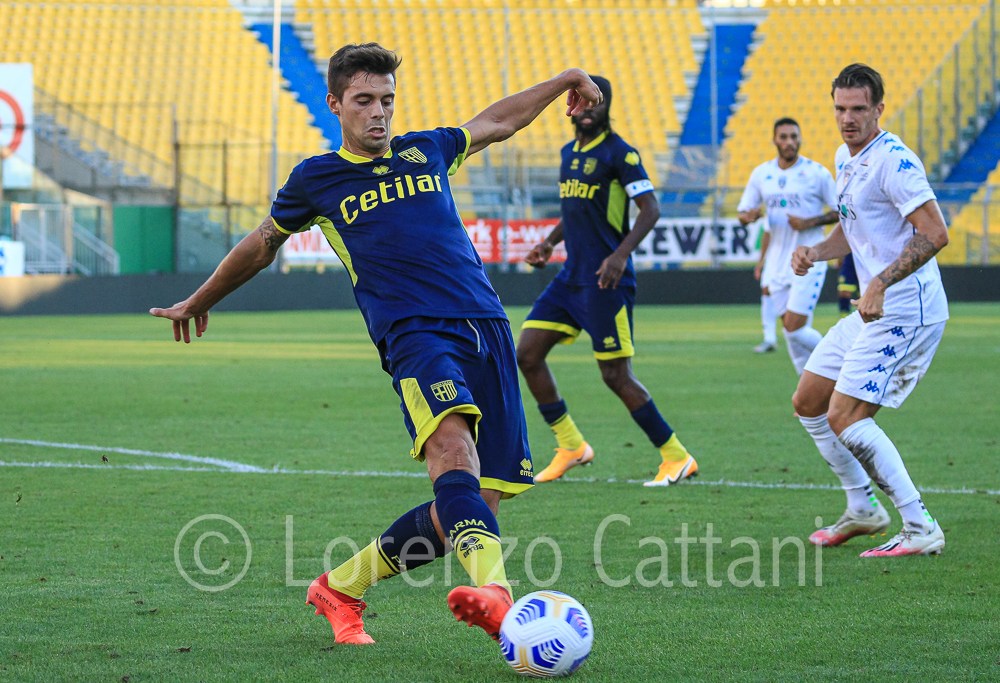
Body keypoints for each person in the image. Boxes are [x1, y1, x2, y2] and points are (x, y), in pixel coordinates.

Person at [150, 43, 604, 643]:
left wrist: (566, 76)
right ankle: (500, 601)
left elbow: (498, 121)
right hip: (414, 333)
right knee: (452, 455)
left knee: (472, 507)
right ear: (335, 104)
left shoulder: (427, 150)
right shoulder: (316, 178)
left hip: (487, 326)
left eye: (387, 99)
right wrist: (200, 299)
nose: (378, 112)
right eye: (363, 100)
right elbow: (262, 243)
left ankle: (340, 587)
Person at [791, 63, 949, 557]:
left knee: (846, 415)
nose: (848, 118)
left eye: (859, 109)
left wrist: (879, 281)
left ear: (879, 108)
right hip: (872, 309)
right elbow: (854, 224)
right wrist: (817, 251)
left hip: (908, 311)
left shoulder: (895, 162)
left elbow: (935, 232)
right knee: (809, 401)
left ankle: (920, 526)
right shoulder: (846, 156)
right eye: (841, 108)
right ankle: (863, 508)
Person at [515, 76, 697, 488]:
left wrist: (620, 255)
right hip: (570, 278)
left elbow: (650, 209)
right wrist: (549, 242)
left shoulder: (621, 154)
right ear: (571, 105)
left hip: (605, 281)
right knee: (526, 354)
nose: (589, 108)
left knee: (615, 375)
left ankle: (676, 455)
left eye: (597, 101)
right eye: (582, 101)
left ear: (607, 105)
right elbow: (576, 211)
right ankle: (571, 445)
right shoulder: (568, 154)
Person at [737, 118, 840, 373]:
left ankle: (840, 362)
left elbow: (842, 211)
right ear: (774, 140)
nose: (789, 142)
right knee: (790, 330)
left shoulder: (816, 173)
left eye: (794, 136)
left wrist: (809, 222)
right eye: (783, 137)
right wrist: (749, 216)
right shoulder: (762, 174)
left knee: (794, 328)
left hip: (809, 259)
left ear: (800, 139)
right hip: (777, 263)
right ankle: (810, 387)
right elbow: (743, 213)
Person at [752, 219, 779, 353]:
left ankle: (801, 335)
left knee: (795, 294)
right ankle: (769, 338)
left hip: (796, 256)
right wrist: (761, 261)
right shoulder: (772, 208)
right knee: (766, 290)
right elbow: (767, 234)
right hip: (775, 258)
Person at [836, 252, 858, 317]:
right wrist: (839, 258)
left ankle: (862, 314)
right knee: (844, 291)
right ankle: (844, 315)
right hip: (848, 264)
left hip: (863, 263)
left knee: (864, 293)